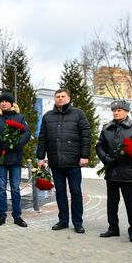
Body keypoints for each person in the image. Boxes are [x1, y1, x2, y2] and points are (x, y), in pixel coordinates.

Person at [36, 88, 91, 233]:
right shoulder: (48, 116)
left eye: (63, 96)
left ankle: (78, 222)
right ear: (55, 99)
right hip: (55, 161)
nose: (60, 98)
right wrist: (40, 157)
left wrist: (84, 156)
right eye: (57, 96)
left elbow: (86, 136)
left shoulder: (78, 114)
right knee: (60, 192)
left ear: (69, 98)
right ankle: (63, 220)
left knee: (76, 192)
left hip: (73, 162)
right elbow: (42, 138)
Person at [96, 100, 132, 243]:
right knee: (112, 203)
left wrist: (125, 155)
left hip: (128, 172)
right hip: (111, 171)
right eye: (114, 110)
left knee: (131, 203)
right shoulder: (107, 128)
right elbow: (99, 146)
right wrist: (106, 158)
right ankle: (113, 228)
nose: (116, 112)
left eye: (119, 110)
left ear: (126, 111)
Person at [0, 91, 31, 227]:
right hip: (0, 160)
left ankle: (17, 216)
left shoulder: (20, 117)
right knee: (1, 189)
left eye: (6, 101)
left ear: (11, 104)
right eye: (1, 101)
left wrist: (17, 143)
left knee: (16, 189)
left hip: (15, 159)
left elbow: (27, 133)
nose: (4, 103)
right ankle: (2, 215)